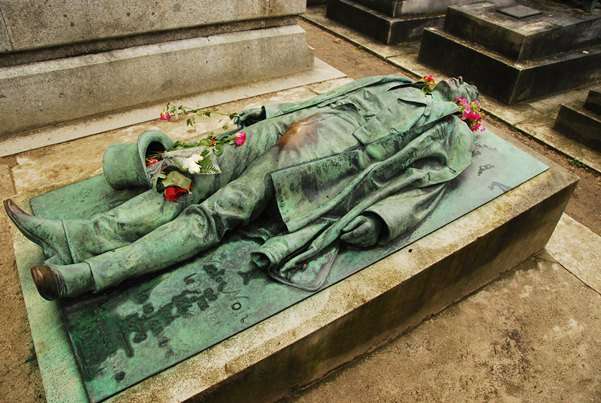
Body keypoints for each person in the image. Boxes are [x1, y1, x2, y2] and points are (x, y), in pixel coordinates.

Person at [5, 75, 479, 300]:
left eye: (466, 89)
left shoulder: (451, 131)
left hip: (312, 162)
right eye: (458, 81)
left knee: (215, 214)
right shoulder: (398, 79)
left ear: (465, 104)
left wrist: (382, 220)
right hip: (294, 126)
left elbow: (426, 184)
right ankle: (76, 237)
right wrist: (271, 113)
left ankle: (92, 274)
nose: (460, 84)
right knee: (191, 169)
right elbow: (329, 97)